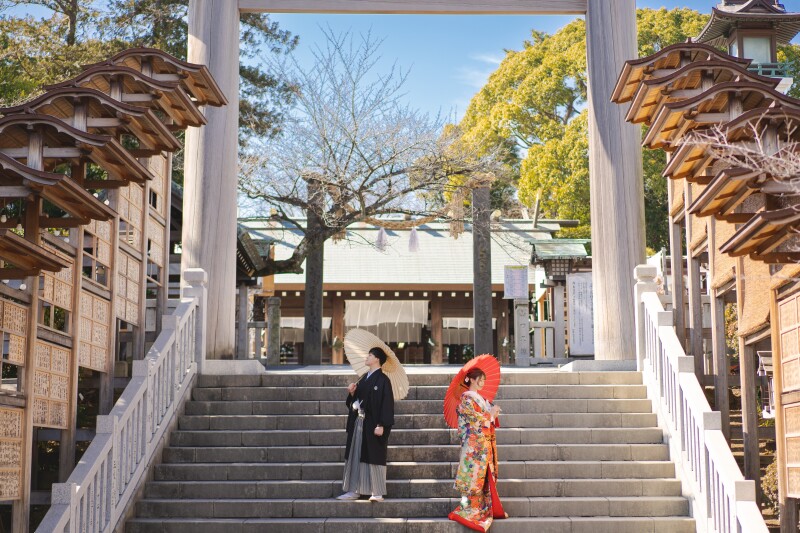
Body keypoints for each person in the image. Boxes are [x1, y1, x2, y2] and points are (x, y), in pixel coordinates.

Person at [448, 368, 507, 532]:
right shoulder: (466, 398)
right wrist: (490, 415)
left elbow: (485, 418)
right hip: (474, 446)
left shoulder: (479, 398)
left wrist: (493, 413)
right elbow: (474, 420)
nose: (482, 383)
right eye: (480, 379)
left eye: (483, 380)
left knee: (483, 478)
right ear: (472, 380)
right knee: (473, 478)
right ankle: (469, 510)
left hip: (482, 444)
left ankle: (481, 508)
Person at [337, 346, 395, 502]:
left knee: (374, 455)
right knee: (355, 453)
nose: (367, 357)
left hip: (374, 423)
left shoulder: (383, 380)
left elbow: (387, 405)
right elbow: (356, 400)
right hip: (359, 421)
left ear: (377, 359)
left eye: (369, 355)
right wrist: (352, 393)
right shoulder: (363, 378)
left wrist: (382, 424)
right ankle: (353, 489)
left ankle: (377, 492)